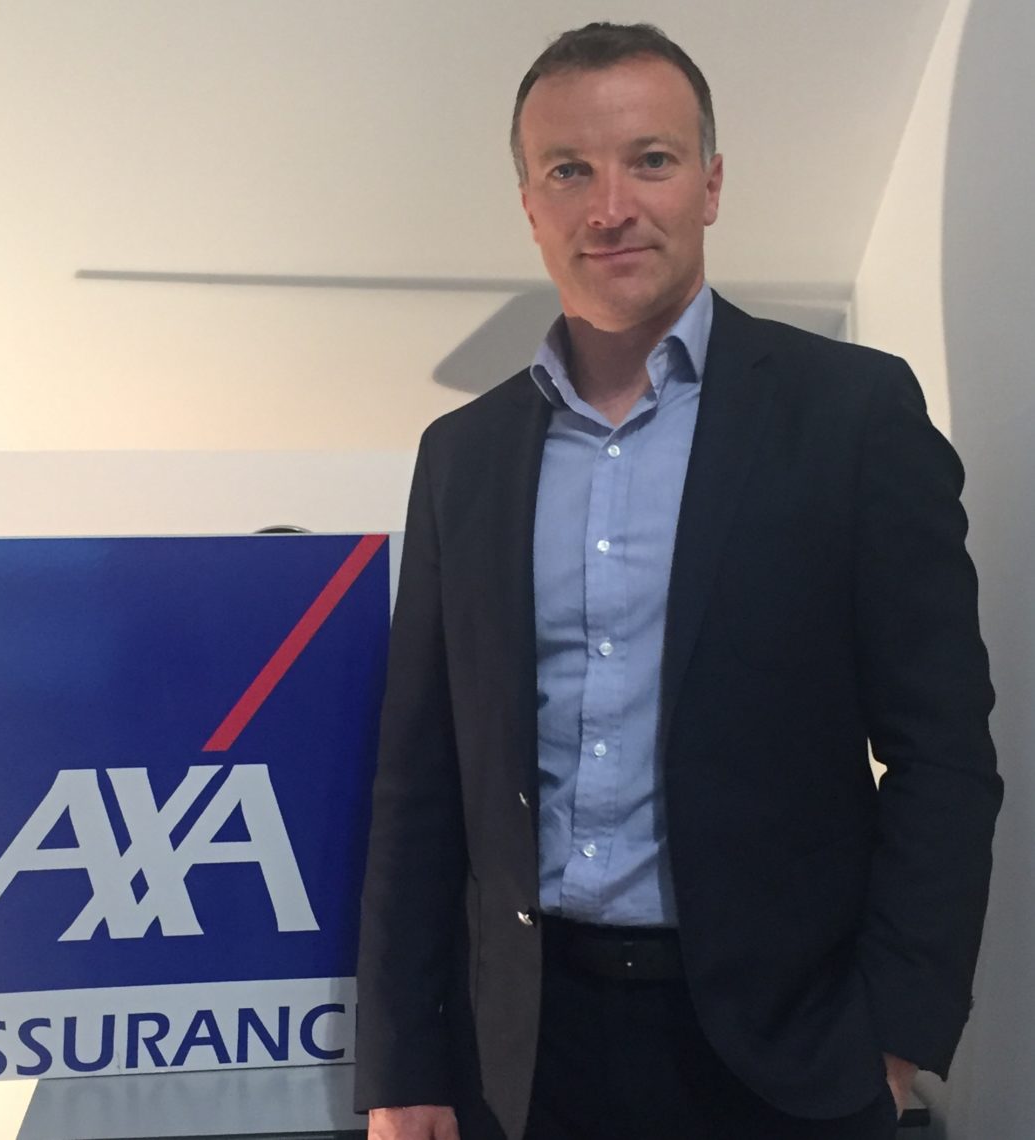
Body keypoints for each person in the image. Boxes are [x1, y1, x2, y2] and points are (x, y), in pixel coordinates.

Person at [354, 21, 1001, 1140]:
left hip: (786, 1057)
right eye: (569, 170)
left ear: (710, 183)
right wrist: (403, 1070)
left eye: (650, 160)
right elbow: (420, 781)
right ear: (530, 205)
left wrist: (894, 1036)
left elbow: (943, 753)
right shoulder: (462, 456)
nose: (610, 207)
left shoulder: (852, 417)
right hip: (524, 1058)